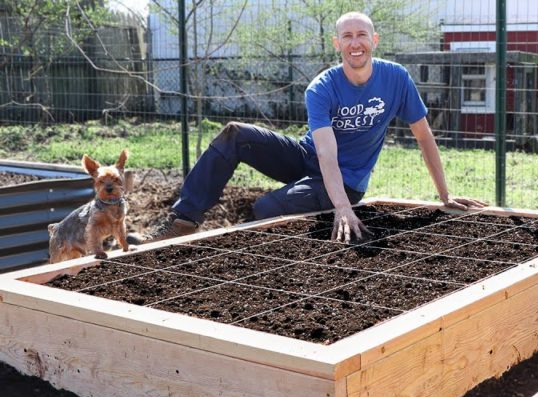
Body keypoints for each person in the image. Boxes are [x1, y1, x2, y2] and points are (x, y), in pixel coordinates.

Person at [132, 11, 486, 245]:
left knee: (265, 209)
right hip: (309, 158)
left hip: (347, 181)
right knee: (235, 134)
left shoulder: (396, 79)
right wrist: (341, 209)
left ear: (374, 41)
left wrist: (443, 197)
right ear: (338, 44)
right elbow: (324, 151)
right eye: (346, 36)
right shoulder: (322, 87)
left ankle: (294, 215)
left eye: (362, 35)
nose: (355, 43)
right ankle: (184, 220)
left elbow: (424, 137)